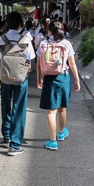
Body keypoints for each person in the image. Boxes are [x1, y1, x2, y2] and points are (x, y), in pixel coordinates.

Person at [0, 11, 36, 156]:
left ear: (6, 24)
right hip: (21, 79)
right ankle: (15, 145)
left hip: (5, 78)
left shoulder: (0, 40)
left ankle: (6, 137)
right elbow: (30, 64)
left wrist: (4, 63)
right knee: (19, 108)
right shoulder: (26, 39)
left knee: (5, 106)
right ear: (20, 24)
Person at [36, 21, 81, 151]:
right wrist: (77, 80)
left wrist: (39, 79)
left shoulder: (44, 43)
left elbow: (39, 65)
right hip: (63, 77)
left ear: (49, 31)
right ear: (62, 30)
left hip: (49, 79)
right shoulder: (66, 43)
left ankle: (52, 141)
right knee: (62, 108)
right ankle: (61, 133)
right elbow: (72, 63)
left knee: (51, 111)